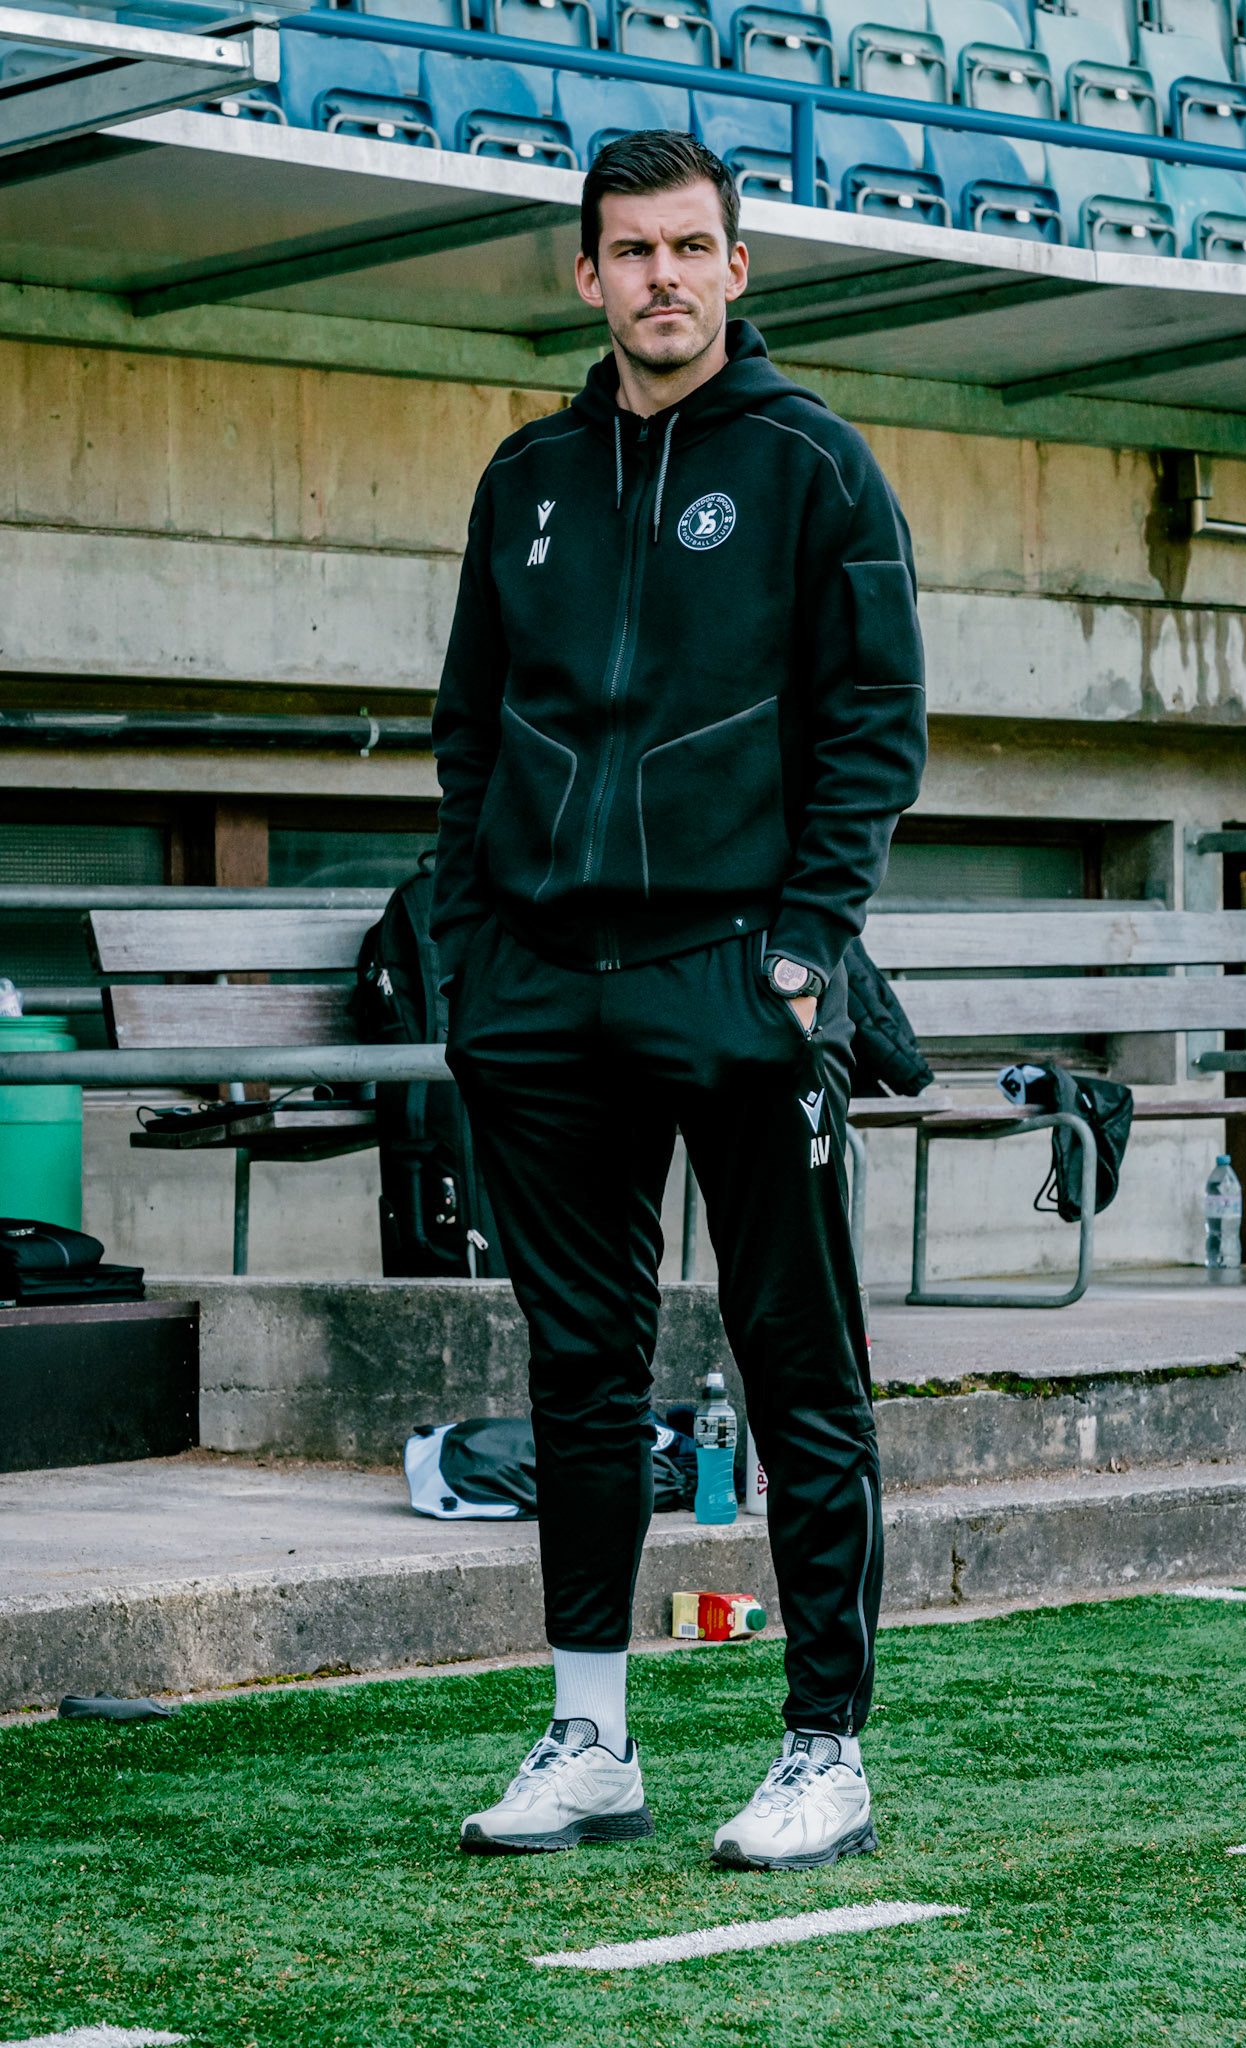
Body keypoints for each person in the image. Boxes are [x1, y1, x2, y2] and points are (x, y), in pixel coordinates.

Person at [431, 129, 927, 1870]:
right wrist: (466, 947)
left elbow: (873, 732)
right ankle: (590, 1734)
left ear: (737, 268)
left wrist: (800, 954)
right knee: (580, 1372)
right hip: (541, 994)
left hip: (736, 982)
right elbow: (469, 733)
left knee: (803, 1373)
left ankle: (825, 1748)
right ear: (586, 275)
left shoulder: (813, 468)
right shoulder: (526, 477)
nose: (659, 278)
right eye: (627, 251)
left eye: (689, 249)